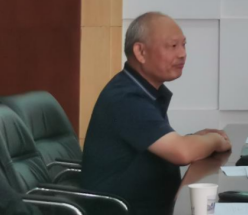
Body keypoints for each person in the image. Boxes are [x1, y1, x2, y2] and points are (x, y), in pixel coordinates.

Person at [82, 12, 232, 215]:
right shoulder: (125, 98)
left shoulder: (140, 89)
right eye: (172, 46)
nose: (182, 54)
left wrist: (194, 139)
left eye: (183, 45)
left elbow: (163, 147)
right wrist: (215, 140)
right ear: (140, 52)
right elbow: (182, 153)